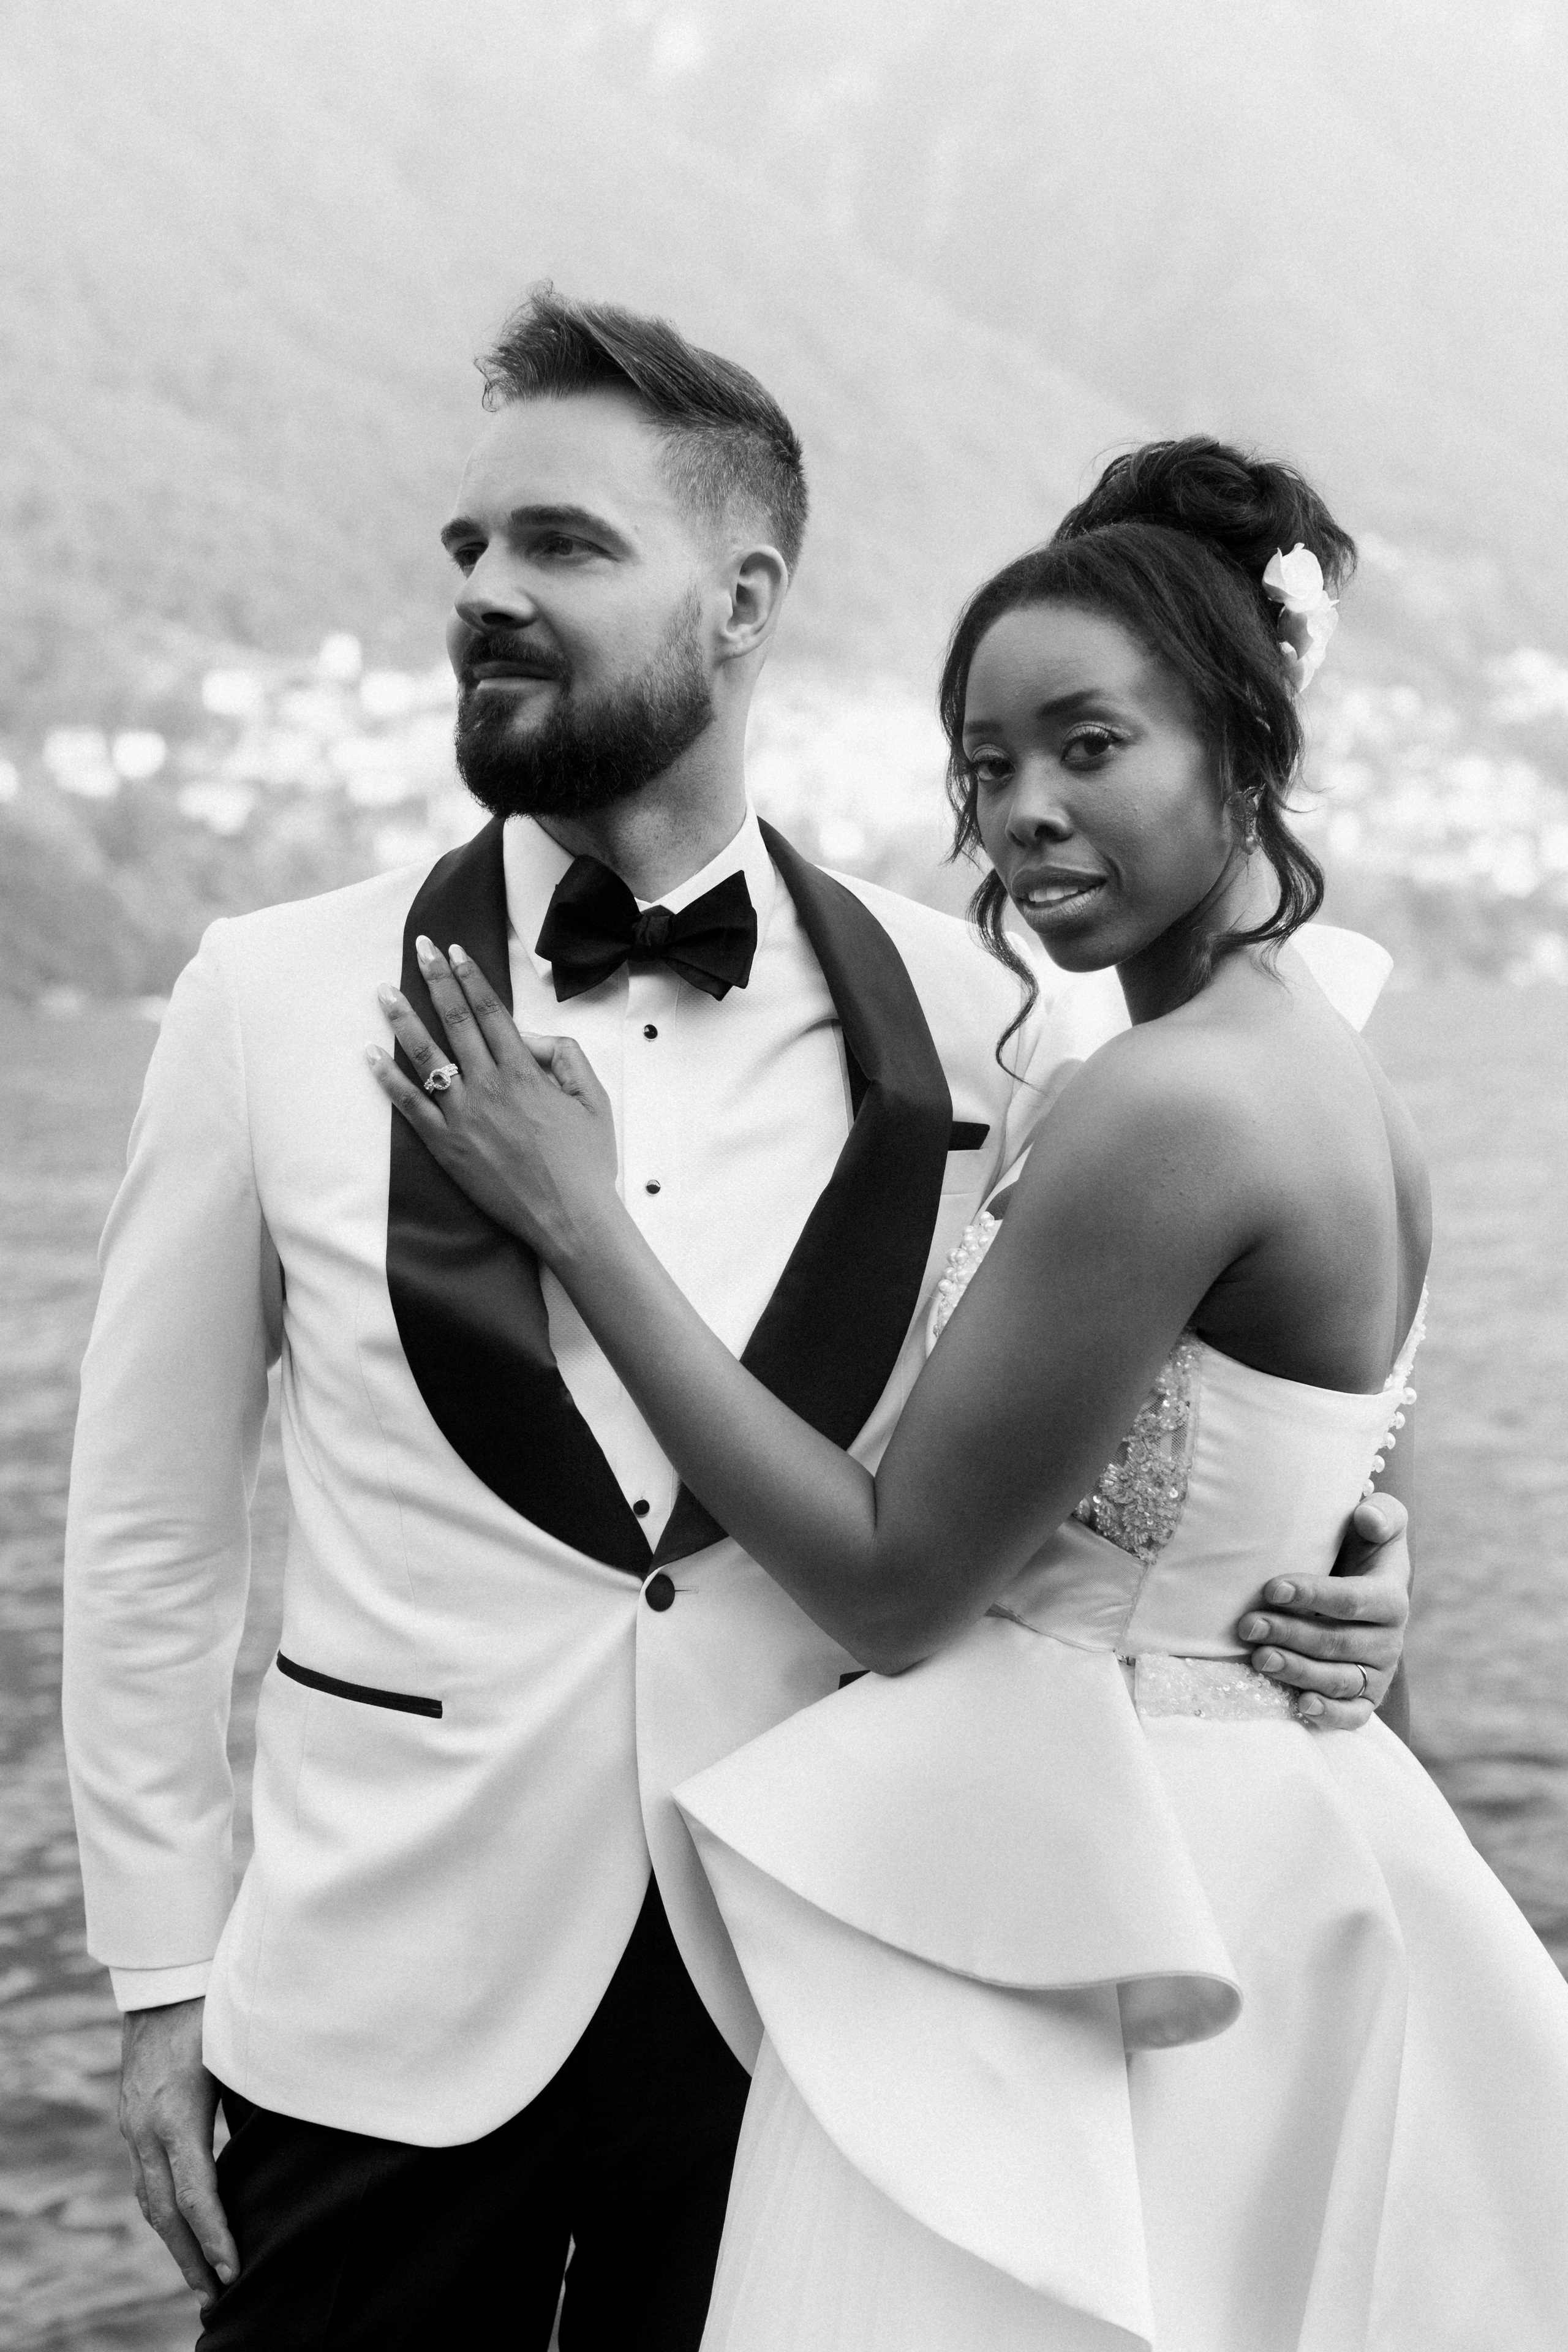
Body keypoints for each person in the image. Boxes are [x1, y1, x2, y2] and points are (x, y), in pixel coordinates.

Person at [62, 298, 1409, 2350]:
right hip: (370, 2011)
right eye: (470, 551)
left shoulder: (1000, 1023)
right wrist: (161, 1977)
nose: (492, 594)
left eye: (566, 546)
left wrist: (1338, 1588)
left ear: (745, 596)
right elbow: (152, 1529)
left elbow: (1187, 1400)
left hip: (817, 1997)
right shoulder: (263, 1000)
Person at [370, 434, 1568, 2350]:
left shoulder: (1174, 1104)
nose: (1022, 816)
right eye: (987, 768)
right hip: (1262, 1846)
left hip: (1102, 1893)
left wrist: (585, 1219)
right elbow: (1284, 1486)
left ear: (1246, 746)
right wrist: (1358, 1576)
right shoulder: (1335, 1076)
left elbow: (897, 1579)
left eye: (1091, 749)